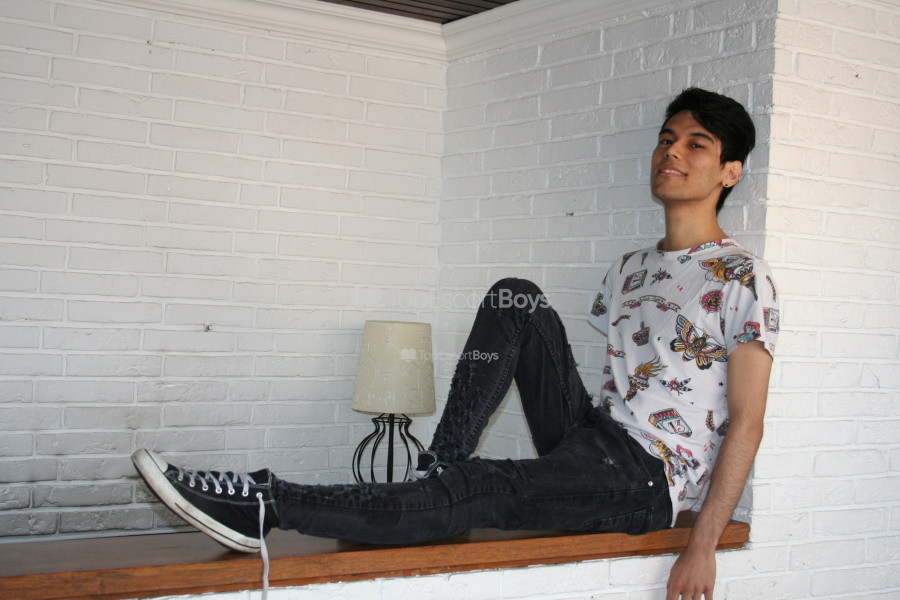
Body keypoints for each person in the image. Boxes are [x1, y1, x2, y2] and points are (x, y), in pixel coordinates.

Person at [133, 87, 778, 600]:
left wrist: (702, 543)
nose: (672, 152)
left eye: (696, 144)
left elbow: (747, 421)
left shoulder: (741, 276)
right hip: (593, 436)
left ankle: (265, 502)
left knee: (484, 487)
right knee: (514, 296)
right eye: (667, 139)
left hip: (645, 478)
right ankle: (439, 464)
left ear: (731, 171)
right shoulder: (630, 268)